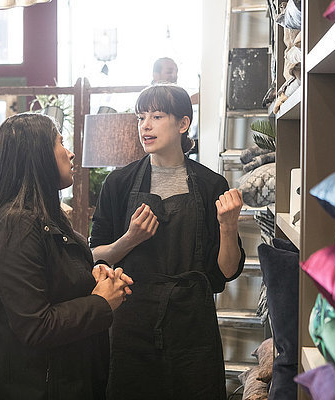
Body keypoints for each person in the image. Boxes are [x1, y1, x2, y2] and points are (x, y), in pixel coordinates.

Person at [90, 84, 246, 399]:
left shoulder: (210, 185)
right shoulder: (118, 184)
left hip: (191, 325)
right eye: (140, 117)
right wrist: (130, 239)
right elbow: (96, 255)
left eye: (157, 116)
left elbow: (227, 272)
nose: (145, 125)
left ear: (183, 124)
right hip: (131, 322)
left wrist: (228, 226)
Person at [0, 113, 132, 400]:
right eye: (61, 143)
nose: (70, 154)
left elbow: (53, 282)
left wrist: (91, 279)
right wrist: (101, 302)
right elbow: (35, 325)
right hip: (34, 387)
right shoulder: (15, 225)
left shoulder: (46, 216)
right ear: (38, 156)